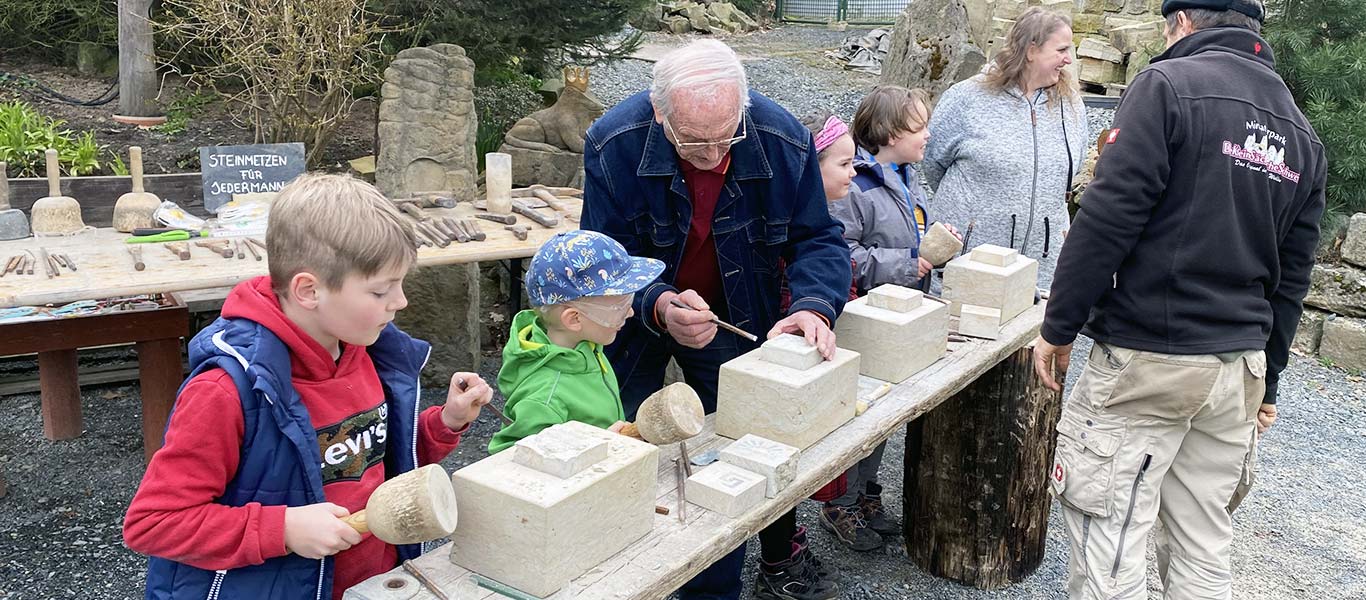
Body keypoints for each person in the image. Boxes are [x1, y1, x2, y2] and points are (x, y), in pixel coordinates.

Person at [1031, 1, 1326, 597]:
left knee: (1109, 546)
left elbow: (1108, 217)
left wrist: (1058, 328)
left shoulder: (1166, 85)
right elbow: (1292, 279)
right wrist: (1268, 381)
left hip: (1150, 358)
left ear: (1184, 22)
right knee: (1201, 544)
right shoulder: (1301, 134)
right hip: (1235, 369)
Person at [123, 174, 495, 599]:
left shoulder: (364, 351)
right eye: (380, 290)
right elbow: (152, 524)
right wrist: (282, 529)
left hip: (366, 584)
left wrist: (445, 422)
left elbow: (367, 459)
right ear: (308, 290)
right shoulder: (227, 391)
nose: (400, 301)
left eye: (400, 283)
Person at [581, 39, 853, 600]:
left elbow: (818, 239)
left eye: (725, 137)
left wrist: (812, 305)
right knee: (620, 444)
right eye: (693, 141)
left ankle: (751, 572)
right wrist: (657, 303)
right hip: (635, 317)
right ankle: (624, 578)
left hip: (735, 312)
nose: (711, 154)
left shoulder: (780, 138)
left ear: (743, 108)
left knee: (750, 440)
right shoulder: (614, 142)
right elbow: (603, 261)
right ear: (660, 115)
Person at [820, 86, 956, 551]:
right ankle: (840, 504)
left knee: (884, 414)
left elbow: (909, 230)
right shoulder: (853, 185)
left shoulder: (905, 174)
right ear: (890, 133)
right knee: (857, 415)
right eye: (919, 126)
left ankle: (863, 495)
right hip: (865, 320)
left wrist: (934, 240)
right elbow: (841, 256)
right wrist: (908, 262)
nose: (928, 135)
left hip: (900, 317)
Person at [923, 6, 1089, 293]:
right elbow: (932, 162)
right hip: (972, 265)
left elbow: (1072, 168)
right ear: (1031, 50)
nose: (1068, 59)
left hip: (1041, 269)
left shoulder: (1072, 105)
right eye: (1061, 49)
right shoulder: (967, 98)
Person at [487, 230, 664, 451]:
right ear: (574, 318)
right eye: (619, 306)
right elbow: (513, 462)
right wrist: (595, 447)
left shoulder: (584, 343)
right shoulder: (545, 397)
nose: (629, 314)